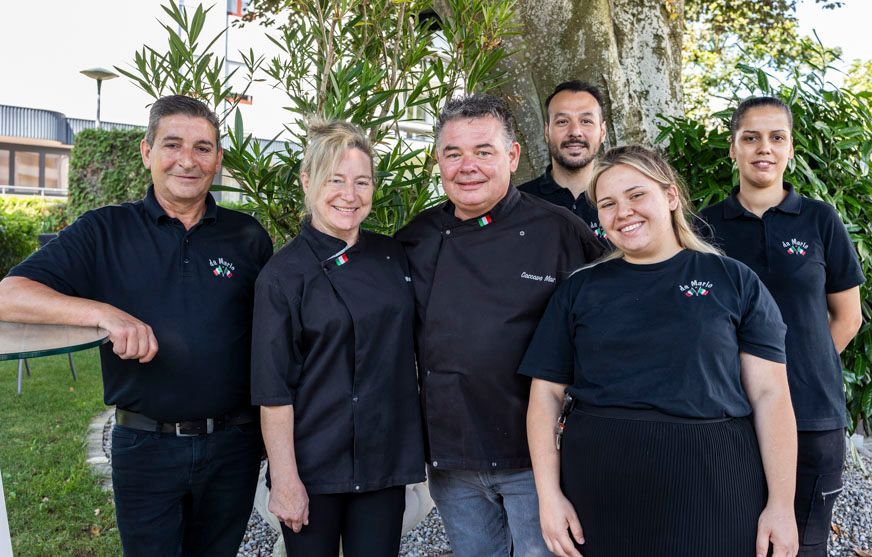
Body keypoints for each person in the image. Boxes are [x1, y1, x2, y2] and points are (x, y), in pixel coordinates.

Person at [0, 95, 273, 556]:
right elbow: (10, 294)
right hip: (146, 446)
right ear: (147, 152)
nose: (187, 160)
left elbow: (271, 338)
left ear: (218, 159)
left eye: (203, 148)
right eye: (172, 144)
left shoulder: (248, 237)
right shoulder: (103, 231)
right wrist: (104, 313)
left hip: (234, 445)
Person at [520, 145, 799, 557]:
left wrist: (781, 505)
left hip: (714, 482)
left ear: (670, 196)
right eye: (608, 204)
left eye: (636, 195)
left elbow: (771, 395)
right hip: (600, 487)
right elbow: (545, 394)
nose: (623, 212)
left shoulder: (733, 280)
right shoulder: (580, 289)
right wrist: (549, 497)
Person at [396, 94, 605, 557]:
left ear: (512, 156)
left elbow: (606, 335)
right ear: (437, 161)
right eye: (453, 153)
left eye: (483, 151)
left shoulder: (560, 231)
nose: (467, 166)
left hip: (539, 459)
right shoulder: (415, 238)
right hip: (452, 456)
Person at [251, 119, 425, 557]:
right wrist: (285, 479)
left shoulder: (392, 256)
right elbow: (273, 390)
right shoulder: (282, 275)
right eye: (335, 180)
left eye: (361, 181)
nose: (350, 194)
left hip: (383, 458)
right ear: (307, 181)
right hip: (313, 465)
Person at [700, 96, 865, 557]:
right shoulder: (704, 228)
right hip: (730, 416)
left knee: (804, 545)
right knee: (735, 543)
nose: (764, 148)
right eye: (750, 137)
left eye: (777, 137)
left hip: (812, 414)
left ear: (790, 148)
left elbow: (848, 316)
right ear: (733, 148)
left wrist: (797, 369)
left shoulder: (820, 219)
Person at [518, 80, 607, 237]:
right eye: (562, 122)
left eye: (586, 121)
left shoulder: (624, 201)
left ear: (602, 132)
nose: (575, 132)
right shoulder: (518, 204)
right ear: (547, 132)